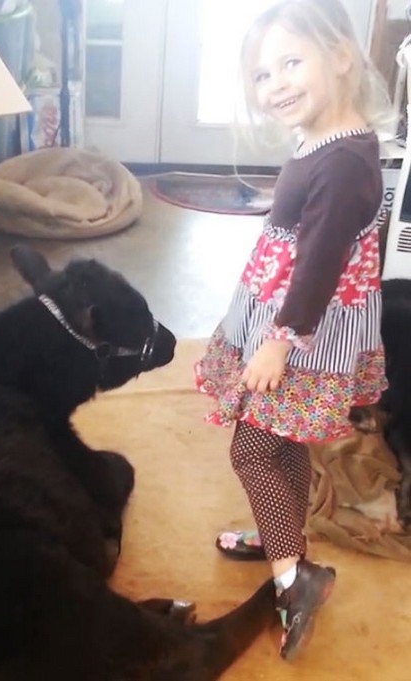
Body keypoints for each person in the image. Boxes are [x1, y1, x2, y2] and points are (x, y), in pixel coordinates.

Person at [195, 0, 393, 661]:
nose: (274, 84)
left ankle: (294, 577)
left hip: (302, 335)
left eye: (290, 63)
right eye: (261, 74)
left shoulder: (342, 163)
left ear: (340, 58)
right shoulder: (329, 140)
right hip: (294, 322)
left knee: (252, 450)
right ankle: (282, 534)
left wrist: (280, 340)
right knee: (284, 440)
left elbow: (320, 263)